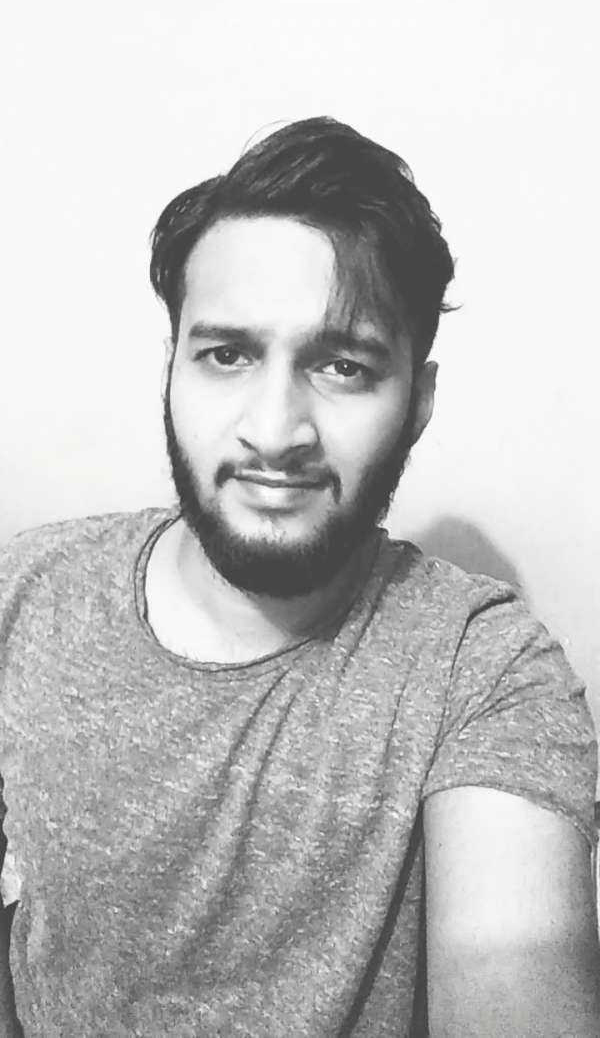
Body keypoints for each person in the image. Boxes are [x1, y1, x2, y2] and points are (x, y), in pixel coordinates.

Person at [0, 117, 598, 1037]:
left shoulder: (482, 669)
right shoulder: (23, 597)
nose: (275, 431)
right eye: (227, 354)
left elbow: (513, 969)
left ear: (419, 399)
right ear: (172, 366)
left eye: (343, 365)